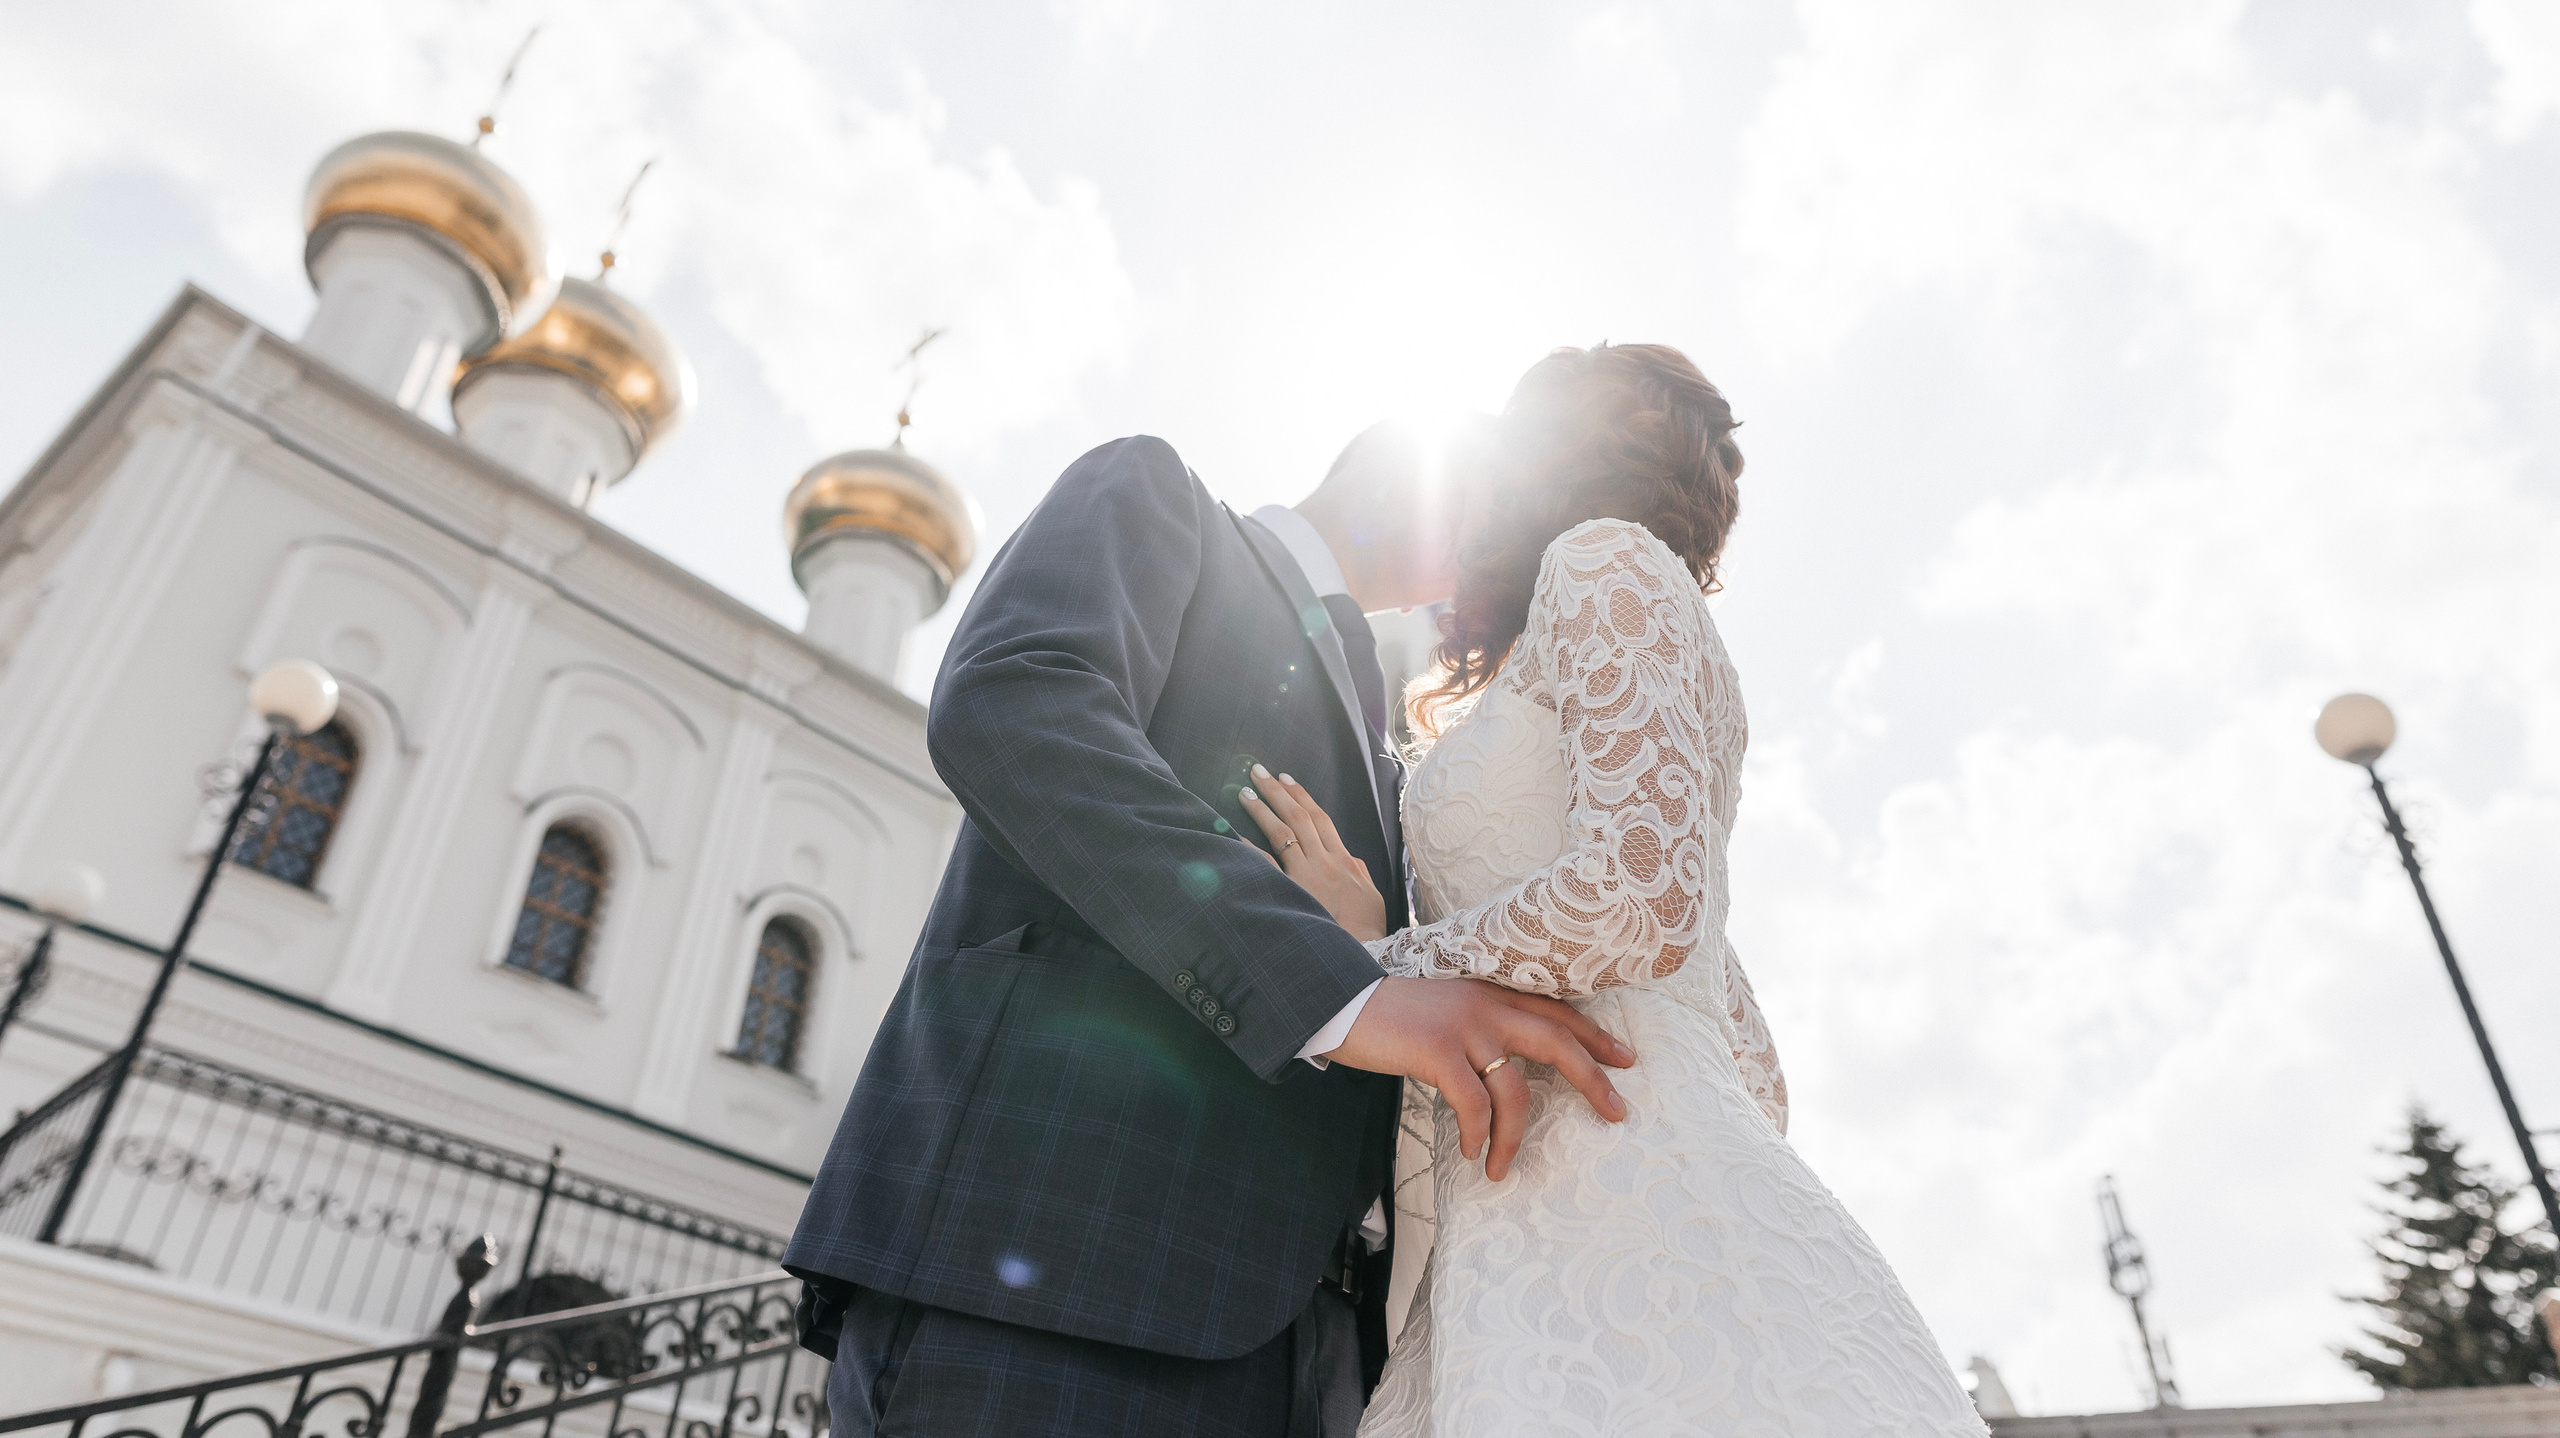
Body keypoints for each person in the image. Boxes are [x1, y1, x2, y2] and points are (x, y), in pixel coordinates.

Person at [784, 421, 1637, 1438]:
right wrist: (1345, 991)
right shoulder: (1161, 501)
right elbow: (1016, 699)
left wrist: (1374, 948)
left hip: (1312, 1356)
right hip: (1056, 1284)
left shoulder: (1394, 755)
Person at [1240, 345, 1990, 1435]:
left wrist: (1372, 963)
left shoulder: (1602, 563)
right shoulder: (1617, 622)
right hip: (1572, 1205)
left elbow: (1637, 896)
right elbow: (1748, 1055)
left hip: (1608, 1206)